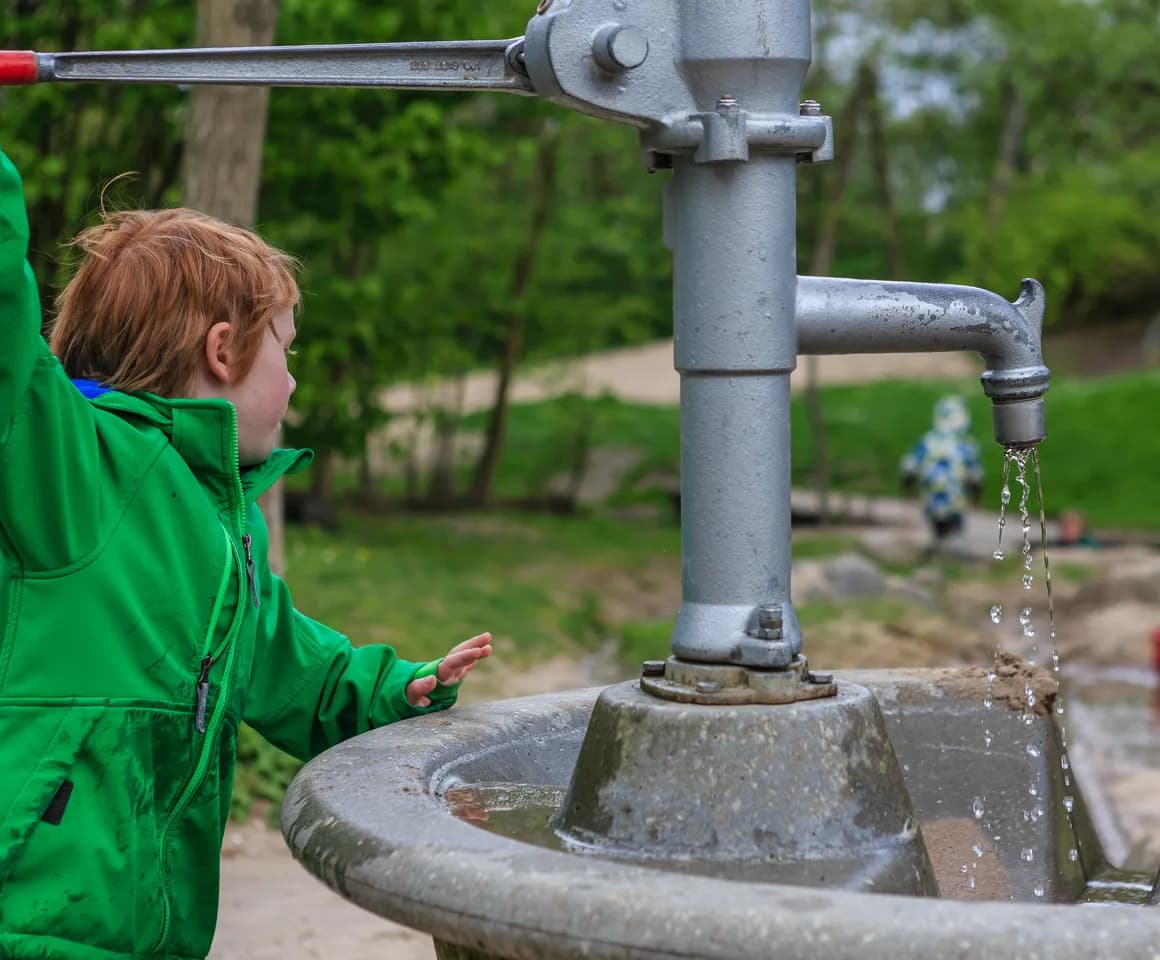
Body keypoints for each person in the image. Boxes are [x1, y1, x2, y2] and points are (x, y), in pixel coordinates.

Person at [0, 144, 491, 958]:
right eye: (286, 350)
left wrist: (386, 691)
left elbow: (285, 660)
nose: (295, 382)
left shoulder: (229, 529)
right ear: (222, 351)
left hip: (144, 929)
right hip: (28, 919)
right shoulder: (71, 469)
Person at [900, 394, 983, 541]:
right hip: (955, 500)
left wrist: (908, 486)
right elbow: (975, 475)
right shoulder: (965, 445)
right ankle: (952, 555)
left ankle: (941, 550)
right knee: (955, 533)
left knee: (939, 530)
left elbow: (908, 466)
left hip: (931, 499)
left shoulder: (927, 441)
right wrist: (977, 495)